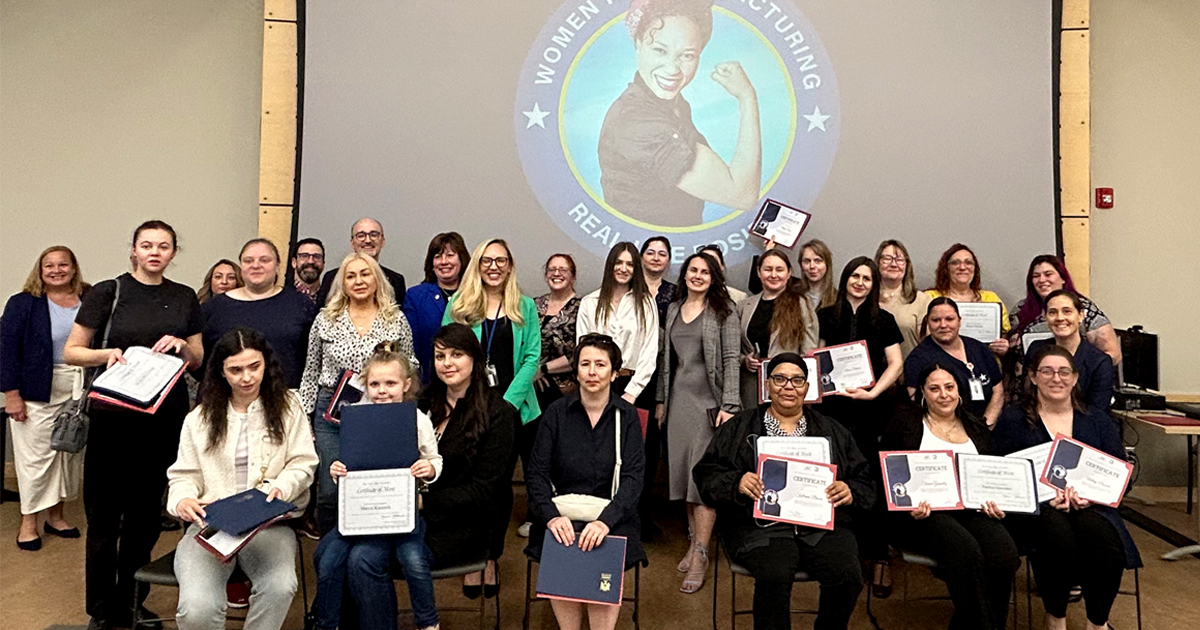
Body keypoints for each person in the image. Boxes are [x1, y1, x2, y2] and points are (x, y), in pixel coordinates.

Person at [63, 220, 205, 630]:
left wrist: (181, 347)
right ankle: (102, 609)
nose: (155, 252)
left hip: (163, 421)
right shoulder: (108, 292)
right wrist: (109, 354)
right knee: (105, 520)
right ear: (133, 251)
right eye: (147, 245)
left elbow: (196, 356)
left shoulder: (183, 297)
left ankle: (132, 601)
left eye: (163, 246)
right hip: (112, 420)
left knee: (144, 521)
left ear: (173, 253)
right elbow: (73, 351)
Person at [693, 354, 872, 630]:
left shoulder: (832, 430)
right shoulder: (739, 428)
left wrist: (850, 490)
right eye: (779, 379)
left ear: (807, 387)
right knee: (775, 575)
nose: (788, 386)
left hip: (821, 527)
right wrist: (737, 482)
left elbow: (864, 480)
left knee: (847, 576)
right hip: (759, 527)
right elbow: (706, 474)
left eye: (797, 380)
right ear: (767, 386)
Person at [167, 327, 317, 630]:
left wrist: (281, 486)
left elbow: (303, 462)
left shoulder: (289, 407)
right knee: (197, 608)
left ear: (267, 364)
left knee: (280, 586)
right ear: (221, 372)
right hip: (211, 525)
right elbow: (184, 475)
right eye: (235, 370)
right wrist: (183, 500)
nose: (246, 377)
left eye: (254, 367)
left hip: (267, 524)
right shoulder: (199, 418)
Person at [992, 345, 1141, 630]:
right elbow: (1000, 472)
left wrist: (1091, 496)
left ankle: (1098, 622)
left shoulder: (1097, 420)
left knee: (1104, 540)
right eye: (1046, 371)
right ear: (1033, 377)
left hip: (1091, 506)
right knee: (1056, 535)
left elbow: (1119, 473)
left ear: (1074, 378)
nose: (1055, 378)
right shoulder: (1013, 419)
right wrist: (1040, 499)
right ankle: (1056, 617)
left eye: (1063, 372)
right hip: (1036, 511)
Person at [598, 0, 761, 227]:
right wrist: (747, 97)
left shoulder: (670, 105)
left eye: (687, 55)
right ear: (637, 44)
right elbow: (742, 195)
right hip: (645, 253)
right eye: (659, 50)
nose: (672, 68)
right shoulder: (638, 123)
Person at [313, 343, 442, 630]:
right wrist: (337, 471)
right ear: (364, 385)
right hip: (360, 513)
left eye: (390, 383)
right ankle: (327, 623)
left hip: (401, 512)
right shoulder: (356, 417)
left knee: (410, 558)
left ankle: (428, 621)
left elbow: (434, 458)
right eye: (374, 384)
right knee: (326, 557)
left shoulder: (417, 419)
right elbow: (346, 464)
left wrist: (430, 468)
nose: (382, 390)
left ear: (406, 384)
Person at [881, 365, 1019, 630]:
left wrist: (997, 503)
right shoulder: (905, 423)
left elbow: (992, 474)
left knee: (1005, 555)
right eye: (934, 388)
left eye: (949, 387)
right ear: (922, 393)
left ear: (959, 391)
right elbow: (886, 473)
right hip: (921, 515)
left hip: (971, 510)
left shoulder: (976, 427)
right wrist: (907, 504)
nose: (943, 394)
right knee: (965, 551)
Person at [525, 334, 646, 630]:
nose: (592, 372)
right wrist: (552, 518)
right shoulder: (555, 413)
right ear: (576, 370)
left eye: (601, 365)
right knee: (561, 542)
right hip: (561, 515)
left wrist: (605, 522)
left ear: (614, 373)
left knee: (602, 547)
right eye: (585, 364)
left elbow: (633, 478)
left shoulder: (627, 415)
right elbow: (536, 473)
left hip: (612, 517)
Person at [443, 239, 541, 595]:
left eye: (501, 260)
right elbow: (447, 351)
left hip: (511, 410)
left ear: (510, 265)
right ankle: (470, 558)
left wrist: (507, 406)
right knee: (468, 485)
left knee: (499, 490)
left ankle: (490, 559)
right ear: (478, 264)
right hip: (467, 408)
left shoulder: (525, 307)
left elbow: (532, 358)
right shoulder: (459, 304)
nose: (494, 266)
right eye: (487, 260)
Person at [298, 252, 417, 534]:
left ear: (377, 279)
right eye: (351, 276)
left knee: (371, 485)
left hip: (381, 409)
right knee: (330, 488)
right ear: (342, 283)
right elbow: (311, 370)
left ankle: (366, 548)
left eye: (365, 274)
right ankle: (330, 545)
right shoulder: (325, 319)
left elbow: (411, 365)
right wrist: (304, 416)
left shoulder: (395, 319)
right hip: (332, 411)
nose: (359, 281)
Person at [815, 256, 903, 597]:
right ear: (845, 279)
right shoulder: (825, 316)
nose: (860, 282)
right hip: (831, 412)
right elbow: (816, 360)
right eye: (855, 275)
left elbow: (896, 363)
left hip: (870, 412)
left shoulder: (885, 319)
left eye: (867, 278)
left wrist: (874, 392)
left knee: (869, 481)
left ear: (874, 283)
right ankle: (841, 551)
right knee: (833, 477)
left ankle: (878, 556)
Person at [657, 251, 741, 593]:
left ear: (713, 278)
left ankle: (703, 553)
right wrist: (661, 401)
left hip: (709, 404)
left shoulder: (724, 311)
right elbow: (666, 360)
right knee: (683, 474)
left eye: (704, 272)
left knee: (703, 478)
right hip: (679, 402)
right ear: (684, 274)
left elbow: (732, 358)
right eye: (692, 270)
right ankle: (693, 542)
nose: (697, 276)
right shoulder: (675, 309)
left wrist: (730, 403)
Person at [420, 324, 518, 597]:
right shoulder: (422, 403)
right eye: (440, 357)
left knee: (394, 557)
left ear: (475, 359)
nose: (447, 363)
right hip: (420, 514)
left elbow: (485, 491)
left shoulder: (499, 414)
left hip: (469, 521)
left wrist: (423, 502)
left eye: (456, 355)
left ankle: (485, 562)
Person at [2, 246, 87, 551]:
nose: (56, 270)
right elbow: (7, 349)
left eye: (62, 264)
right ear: (40, 270)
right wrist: (11, 394)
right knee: (34, 460)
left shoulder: (88, 300)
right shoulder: (23, 303)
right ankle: (28, 523)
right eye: (48, 265)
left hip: (78, 388)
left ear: (73, 268)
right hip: (36, 390)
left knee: (67, 454)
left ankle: (57, 516)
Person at [518, 253, 582, 538]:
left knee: (560, 453)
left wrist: (541, 368)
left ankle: (561, 513)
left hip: (564, 391)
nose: (557, 273)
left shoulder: (583, 307)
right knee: (533, 451)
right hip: (532, 392)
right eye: (552, 269)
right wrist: (530, 372)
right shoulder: (532, 305)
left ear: (573, 274)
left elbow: (579, 353)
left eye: (563, 269)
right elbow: (523, 344)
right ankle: (535, 512)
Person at [202, 239, 316, 388]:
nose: (256, 265)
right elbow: (202, 364)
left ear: (277, 266)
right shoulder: (213, 308)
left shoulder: (301, 305)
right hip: (227, 403)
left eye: (264, 260)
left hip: (285, 400)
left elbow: (313, 360)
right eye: (248, 261)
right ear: (241, 267)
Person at [577, 242, 660, 406]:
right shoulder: (590, 302)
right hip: (597, 385)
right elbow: (582, 350)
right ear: (610, 265)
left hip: (635, 388)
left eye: (630, 264)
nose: (624, 269)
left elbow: (649, 352)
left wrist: (632, 392)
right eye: (618, 263)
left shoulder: (646, 303)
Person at [903, 298, 1005, 426]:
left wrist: (986, 424)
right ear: (927, 323)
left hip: (988, 427)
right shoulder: (917, 360)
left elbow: (998, 390)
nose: (943, 325)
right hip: (947, 431)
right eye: (936, 320)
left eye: (949, 319)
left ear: (959, 321)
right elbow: (918, 405)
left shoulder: (979, 348)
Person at [737, 249, 818, 410]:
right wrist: (745, 360)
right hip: (751, 390)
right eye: (768, 269)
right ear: (759, 273)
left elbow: (810, 351)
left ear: (789, 274)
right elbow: (733, 348)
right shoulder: (744, 306)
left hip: (788, 390)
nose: (773, 275)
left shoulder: (801, 303)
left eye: (779, 270)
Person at [1011, 255, 1121, 365]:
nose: (1042, 280)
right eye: (1036, 276)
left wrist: (1074, 373)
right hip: (1028, 379)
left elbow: (1113, 354)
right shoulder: (1020, 309)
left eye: (1048, 274)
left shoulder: (1084, 308)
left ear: (1063, 278)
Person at [1023, 290, 1114, 413]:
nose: (1060, 318)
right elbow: (1027, 396)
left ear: (1081, 315)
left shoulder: (1099, 362)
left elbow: (1097, 411)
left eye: (1067, 311)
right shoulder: (1036, 350)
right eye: (1052, 312)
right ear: (1045, 317)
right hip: (1037, 424)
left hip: (1084, 428)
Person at [404, 232, 470, 383]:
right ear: (431, 264)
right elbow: (411, 348)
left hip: (471, 384)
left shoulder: (476, 295)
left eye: (450, 255)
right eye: (438, 256)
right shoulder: (416, 296)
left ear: (461, 259)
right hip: (429, 383)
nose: (444, 262)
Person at [925, 244, 1010, 356]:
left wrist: (1003, 346)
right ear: (946, 268)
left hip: (985, 362)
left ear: (975, 269)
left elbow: (1005, 334)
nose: (962, 267)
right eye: (955, 262)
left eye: (968, 262)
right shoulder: (930, 297)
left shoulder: (990, 298)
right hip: (942, 363)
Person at [315, 218, 407, 308]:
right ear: (352, 243)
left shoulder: (396, 280)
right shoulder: (332, 277)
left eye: (374, 235)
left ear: (382, 241)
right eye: (361, 235)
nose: (368, 240)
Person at [876, 239, 932, 359]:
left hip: (910, 373)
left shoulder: (921, 301)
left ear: (907, 265)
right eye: (887, 258)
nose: (893, 264)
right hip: (870, 374)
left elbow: (930, 345)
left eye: (899, 260)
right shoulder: (865, 299)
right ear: (878, 262)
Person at [640, 236, 677, 323]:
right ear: (641, 257)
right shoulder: (629, 287)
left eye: (662, 254)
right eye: (650, 253)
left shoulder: (677, 293)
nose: (656, 258)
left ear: (668, 260)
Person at [799, 239, 837, 312]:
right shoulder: (792, 294)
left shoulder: (837, 299)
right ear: (801, 265)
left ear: (827, 264)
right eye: (807, 261)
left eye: (817, 261)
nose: (812, 266)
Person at [290, 238, 325, 303]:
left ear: (323, 264)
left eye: (317, 257)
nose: (310, 261)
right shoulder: (282, 299)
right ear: (294, 262)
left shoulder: (331, 300)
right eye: (304, 256)